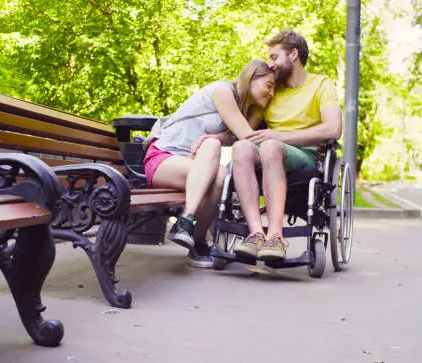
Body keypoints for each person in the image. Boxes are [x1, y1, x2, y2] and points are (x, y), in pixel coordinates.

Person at [142, 60, 275, 268]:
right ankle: (186, 220)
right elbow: (246, 136)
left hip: (191, 164)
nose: (272, 93)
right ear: (252, 78)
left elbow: (234, 138)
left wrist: (218, 137)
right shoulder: (222, 91)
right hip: (163, 158)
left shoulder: (241, 106)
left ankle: (196, 239)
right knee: (212, 144)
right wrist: (285, 136)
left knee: (221, 174)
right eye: (269, 85)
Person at [231, 30, 343, 261]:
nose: (271, 64)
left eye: (274, 57)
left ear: (293, 54)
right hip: (268, 148)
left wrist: (281, 137)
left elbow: (333, 129)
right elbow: (246, 130)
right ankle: (255, 234)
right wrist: (213, 137)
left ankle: (276, 237)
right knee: (241, 148)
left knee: (271, 146)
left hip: (305, 153)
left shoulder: (321, 84)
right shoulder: (271, 88)